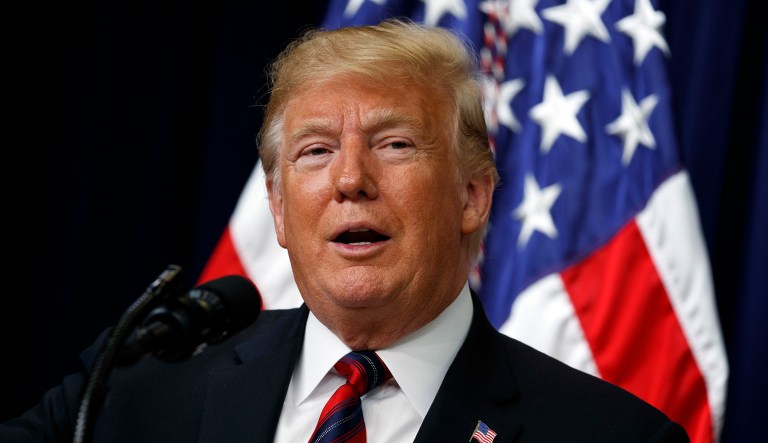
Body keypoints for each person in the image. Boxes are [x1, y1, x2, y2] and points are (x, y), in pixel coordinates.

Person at [1, 19, 690, 442]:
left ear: (473, 195)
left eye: (395, 145)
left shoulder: (612, 434)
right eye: (315, 150)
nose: (350, 179)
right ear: (277, 207)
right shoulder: (136, 387)